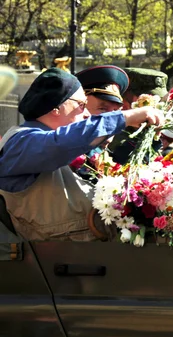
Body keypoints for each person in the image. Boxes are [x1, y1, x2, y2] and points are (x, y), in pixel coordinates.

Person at [0, 68, 164, 242]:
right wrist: (125, 118)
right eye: (81, 105)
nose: (86, 114)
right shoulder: (20, 142)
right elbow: (59, 144)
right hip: (52, 263)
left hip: (81, 260)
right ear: (56, 106)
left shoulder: (58, 145)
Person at [109, 68, 168, 164]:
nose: (155, 110)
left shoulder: (151, 135)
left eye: (159, 103)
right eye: (147, 103)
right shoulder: (111, 137)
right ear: (124, 103)